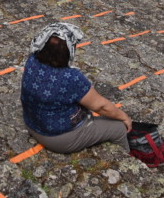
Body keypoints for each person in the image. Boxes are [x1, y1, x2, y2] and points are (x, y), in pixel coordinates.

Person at [20, 23, 131, 153]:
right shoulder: (71, 77)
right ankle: (127, 154)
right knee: (119, 128)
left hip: (32, 123)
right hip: (59, 138)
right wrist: (124, 117)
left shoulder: (32, 60)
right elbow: (100, 106)